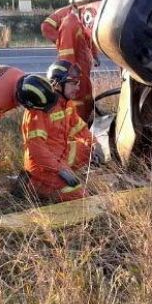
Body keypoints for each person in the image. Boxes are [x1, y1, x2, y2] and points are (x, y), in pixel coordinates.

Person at [21, 60, 101, 202]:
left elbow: (80, 128)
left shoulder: (67, 103)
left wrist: (94, 144)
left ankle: (57, 182)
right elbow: (37, 150)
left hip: (60, 155)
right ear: (57, 84)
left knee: (88, 150)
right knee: (76, 192)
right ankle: (34, 185)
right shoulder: (41, 108)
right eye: (73, 83)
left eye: (78, 83)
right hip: (43, 167)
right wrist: (61, 170)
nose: (78, 87)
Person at [51, 0, 100, 123]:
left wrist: (94, 55)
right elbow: (66, 59)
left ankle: (85, 130)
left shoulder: (81, 22)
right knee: (78, 110)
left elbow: (89, 40)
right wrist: (72, 82)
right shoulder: (69, 25)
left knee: (87, 105)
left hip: (83, 77)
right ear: (76, 4)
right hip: (76, 80)